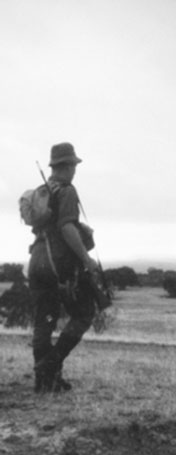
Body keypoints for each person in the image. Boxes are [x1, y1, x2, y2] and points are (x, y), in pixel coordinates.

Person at [28, 143, 99, 392]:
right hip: (57, 262)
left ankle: (45, 383)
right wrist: (86, 259)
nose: (75, 170)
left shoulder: (42, 192)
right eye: (73, 166)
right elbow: (67, 227)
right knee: (84, 313)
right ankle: (50, 366)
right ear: (67, 166)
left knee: (44, 321)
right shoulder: (66, 191)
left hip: (36, 260)